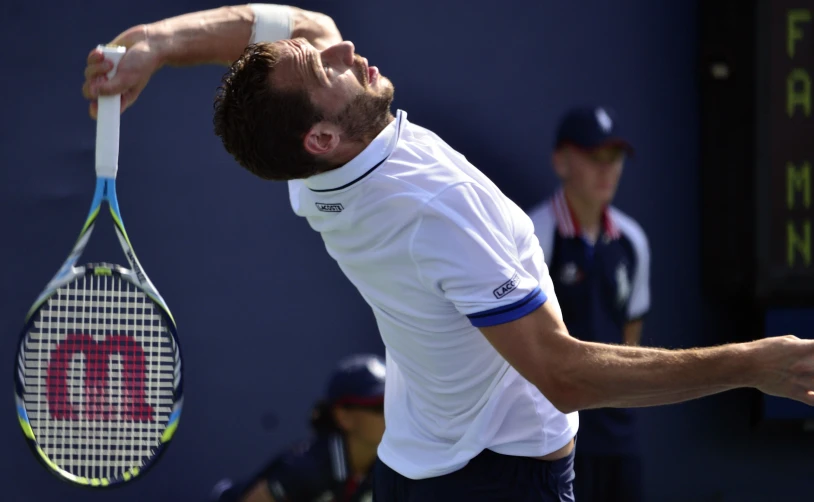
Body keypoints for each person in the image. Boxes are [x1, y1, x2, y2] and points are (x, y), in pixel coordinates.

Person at [81, 4, 814, 501]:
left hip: (413, 469)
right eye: (326, 68)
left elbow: (298, 22)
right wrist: (751, 364)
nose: (341, 43)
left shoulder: (310, 176)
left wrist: (156, 40)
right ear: (324, 139)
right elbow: (561, 374)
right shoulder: (434, 210)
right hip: (498, 483)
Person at [527, 106, 649, 502]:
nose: (607, 169)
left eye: (614, 159)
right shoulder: (534, 236)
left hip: (619, 437)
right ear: (561, 162)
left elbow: (631, 338)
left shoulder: (633, 241)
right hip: (553, 436)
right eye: (594, 157)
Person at [210, 353, 385, 502]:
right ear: (343, 416)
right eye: (379, 406)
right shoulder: (307, 470)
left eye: (394, 403)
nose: (390, 413)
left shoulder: (383, 469)